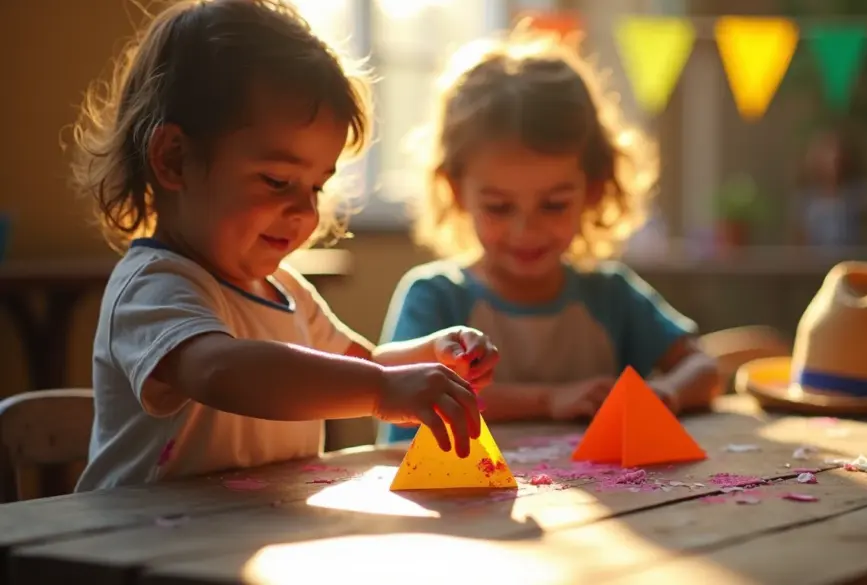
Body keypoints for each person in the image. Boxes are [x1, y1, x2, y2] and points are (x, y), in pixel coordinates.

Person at [68, 0, 496, 492]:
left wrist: (434, 358)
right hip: (126, 550)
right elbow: (220, 369)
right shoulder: (153, 287)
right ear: (175, 160)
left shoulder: (285, 288)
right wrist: (381, 391)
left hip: (242, 541)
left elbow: (366, 365)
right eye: (276, 181)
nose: (306, 212)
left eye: (315, 187)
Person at [376, 30, 721, 445]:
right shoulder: (435, 297)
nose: (527, 231)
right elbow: (409, 398)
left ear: (593, 189)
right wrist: (550, 400)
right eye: (500, 207)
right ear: (455, 191)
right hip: (458, 505)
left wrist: (665, 394)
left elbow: (703, 369)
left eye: (554, 204)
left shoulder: (610, 295)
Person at [792, 130, 867, 248]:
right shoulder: (805, 200)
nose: (833, 159)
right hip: (815, 264)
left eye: (836, 153)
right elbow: (799, 241)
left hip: (851, 262)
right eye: (828, 154)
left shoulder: (857, 194)